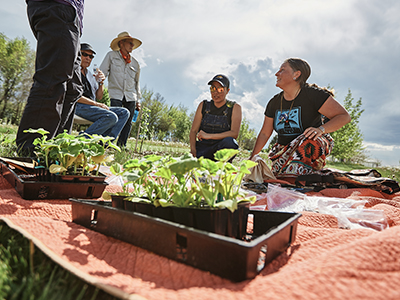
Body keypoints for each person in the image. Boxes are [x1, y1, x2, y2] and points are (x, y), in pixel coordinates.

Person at [250, 58, 351, 180]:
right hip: (284, 150)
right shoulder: (274, 102)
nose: (277, 73)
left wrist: (321, 129)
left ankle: (301, 178)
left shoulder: (313, 95)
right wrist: (252, 158)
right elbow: (265, 133)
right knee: (277, 178)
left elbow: (344, 116)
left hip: (311, 145)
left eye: (282, 70)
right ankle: (290, 176)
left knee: (309, 141)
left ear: (296, 74)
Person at [16, 0, 85, 156]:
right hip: (57, 7)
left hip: (71, 17)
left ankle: (55, 149)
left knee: (74, 89)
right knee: (53, 77)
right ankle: (30, 151)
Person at [74, 43, 129, 141]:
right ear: (77, 55)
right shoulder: (73, 71)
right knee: (111, 116)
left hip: (91, 107)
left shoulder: (90, 75)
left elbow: (99, 96)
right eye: (84, 54)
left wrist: (101, 83)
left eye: (91, 56)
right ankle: (82, 140)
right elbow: (75, 96)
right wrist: (97, 104)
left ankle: (104, 142)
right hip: (78, 105)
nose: (88, 58)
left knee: (124, 112)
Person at [99, 31, 142, 147]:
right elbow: (102, 72)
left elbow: (137, 83)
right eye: (130, 43)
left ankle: (122, 145)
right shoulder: (111, 56)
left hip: (131, 95)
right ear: (121, 43)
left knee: (128, 122)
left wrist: (138, 100)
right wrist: (99, 84)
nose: (132, 46)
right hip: (116, 93)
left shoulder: (135, 63)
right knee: (115, 118)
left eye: (133, 44)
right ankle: (107, 143)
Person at [190, 74, 242, 161]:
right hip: (203, 149)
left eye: (220, 89)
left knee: (230, 142)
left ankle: (222, 167)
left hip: (221, 150)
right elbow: (193, 131)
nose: (216, 92)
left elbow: (234, 134)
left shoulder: (235, 108)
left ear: (227, 91)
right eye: (213, 88)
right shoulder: (203, 105)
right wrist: (193, 150)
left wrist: (208, 136)